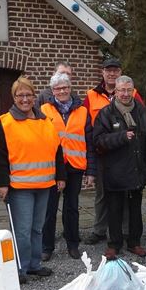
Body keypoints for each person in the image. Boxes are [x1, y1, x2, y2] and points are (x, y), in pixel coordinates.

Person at [0, 76, 66, 283]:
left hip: (45, 185)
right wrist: (1, 183)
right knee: (22, 231)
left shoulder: (46, 121)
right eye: (20, 95)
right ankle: (20, 268)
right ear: (14, 98)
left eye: (28, 94)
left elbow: (57, 150)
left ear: (35, 96)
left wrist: (61, 175)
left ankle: (34, 265)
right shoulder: (5, 122)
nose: (24, 99)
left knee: (37, 228)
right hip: (19, 187)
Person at [83, 58, 144, 245]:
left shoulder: (136, 99)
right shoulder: (92, 95)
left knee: (127, 198)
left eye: (115, 70)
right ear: (103, 73)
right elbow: (88, 128)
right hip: (103, 154)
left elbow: (143, 126)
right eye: (108, 70)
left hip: (128, 156)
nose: (111, 73)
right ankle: (100, 230)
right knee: (103, 196)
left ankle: (125, 232)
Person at [93, 75, 146, 259]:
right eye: (121, 90)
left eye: (129, 90)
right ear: (115, 92)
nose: (125, 94)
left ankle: (134, 242)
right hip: (114, 171)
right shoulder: (106, 113)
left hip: (136, 169)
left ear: (133, 91)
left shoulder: (142, 111)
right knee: (114, 210)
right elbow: (97, 141)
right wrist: (120, 137)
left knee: (135, 209)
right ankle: (114, 244)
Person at [40, 73, 96, 261]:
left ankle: (73, 244)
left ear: (70, 88)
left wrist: (90, 170)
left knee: (71, 208)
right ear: (52, 90)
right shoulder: (43, 110)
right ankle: (47, 247)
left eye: (65, 87)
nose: (62, 91)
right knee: (49, 208)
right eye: (57, 88)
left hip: (75, 166)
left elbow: (89, 141)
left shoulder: (82, 111)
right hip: (52, 167)